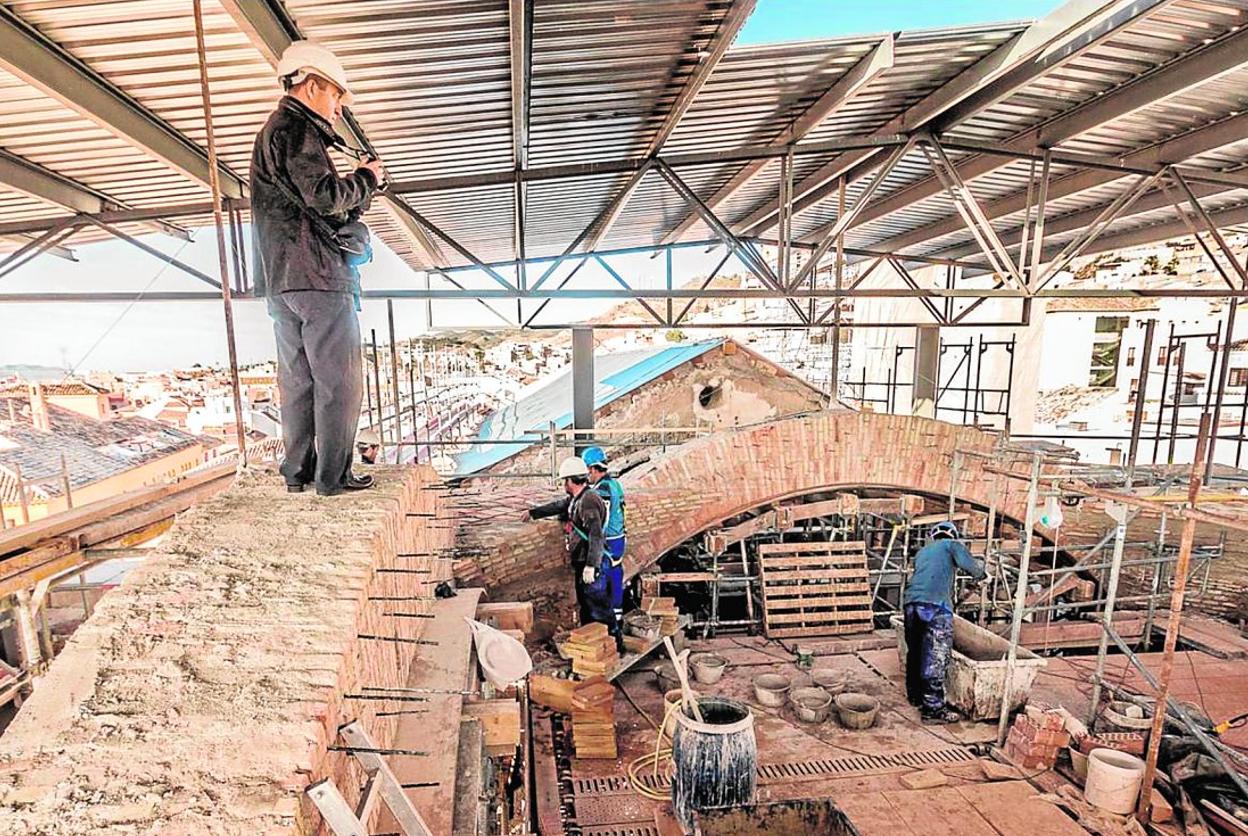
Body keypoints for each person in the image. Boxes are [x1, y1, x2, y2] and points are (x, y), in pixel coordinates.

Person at [250, 40, 385, 497]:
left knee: (299, 379)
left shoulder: (272, 133)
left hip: (281, 280)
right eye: (335, 95)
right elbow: (326, 198)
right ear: (311, 86)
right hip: (319, 277)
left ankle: (299, 472)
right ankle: (333, 476)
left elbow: (305, 203)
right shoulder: (297, 129)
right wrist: (367, 178)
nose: (338, 106)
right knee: (339, 381)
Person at [903, 520, 986, 724]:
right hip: (936, 607)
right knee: (935, 656)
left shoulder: (922, 552)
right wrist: (983, 575)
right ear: (952, 534)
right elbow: (972, 568)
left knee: (915, 651)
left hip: (911, 604)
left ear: (933, 535)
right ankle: (932, 709)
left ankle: (915, 696)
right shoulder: (952, 545)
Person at [522, 456, 609, 631]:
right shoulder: (578, 498)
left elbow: (596, 535)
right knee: (587, 606)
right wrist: (534, 513)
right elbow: (559, 505)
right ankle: (592, 644)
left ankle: (612, 645)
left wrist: (591, 565)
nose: (564, 484)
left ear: (571, 480)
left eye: (565, 480)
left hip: (591, 564)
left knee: (598, 608)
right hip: (582, 561)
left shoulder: (589, 500)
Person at [583, 446, 626, 646]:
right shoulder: (614, 484)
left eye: (586, 470)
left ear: (592, 469)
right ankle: (616, 626)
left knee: (603, 585)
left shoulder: (603, 490)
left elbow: (601, 523)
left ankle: (611, 634)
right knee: (616, 578)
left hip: (610, 542)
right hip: (618, 539)